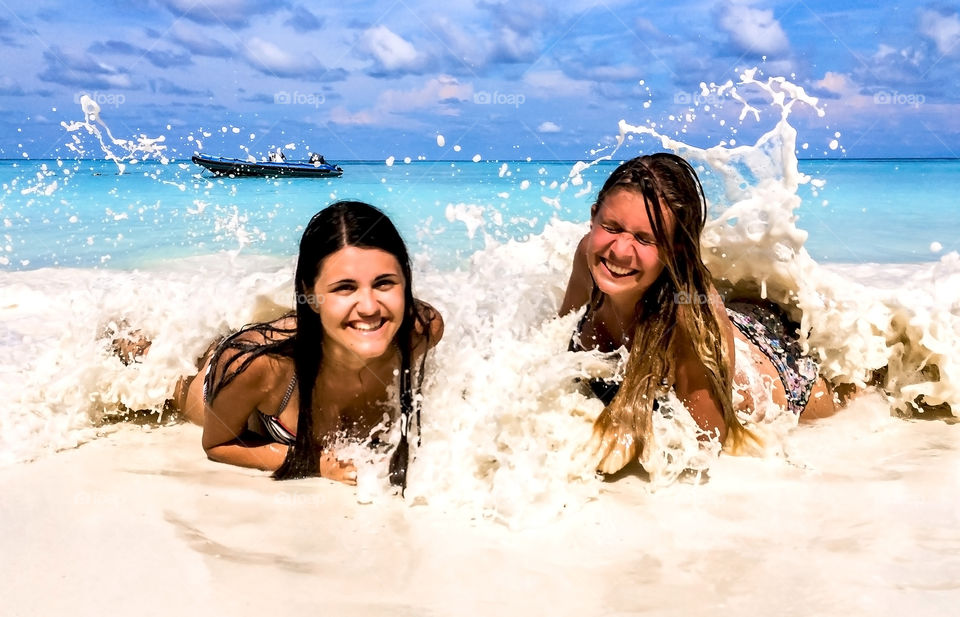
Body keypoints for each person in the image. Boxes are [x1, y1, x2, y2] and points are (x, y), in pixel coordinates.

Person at [559, 154, 835, 475]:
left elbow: (708, 441)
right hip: (740, 324)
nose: (620, 250)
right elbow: (559, 348)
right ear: (594, 219)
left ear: (674, 248)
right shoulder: (589, 257)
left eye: (645, 238)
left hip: (781, 379)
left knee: (857, 403)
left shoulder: (687, 317)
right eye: (611, 227)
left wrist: (639, 437)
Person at [173, 201, 443, 487]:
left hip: (306, 335)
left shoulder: (421, 332)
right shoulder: (260, 367)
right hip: (211, 383)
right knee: (163, 373)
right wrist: (313, 462)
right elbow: (218, 445)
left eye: (384, 283)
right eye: (345, 287)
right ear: (310, 294)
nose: (369, 307)